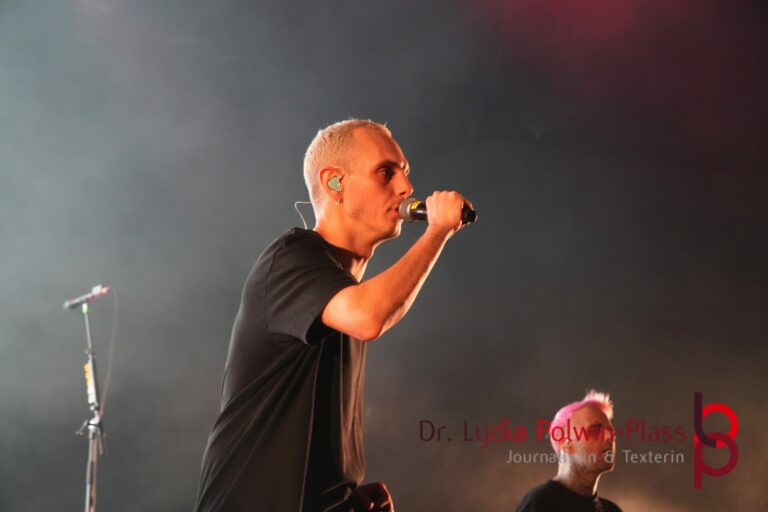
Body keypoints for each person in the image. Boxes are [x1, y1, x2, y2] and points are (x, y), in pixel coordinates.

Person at [194, 119, 473, 511]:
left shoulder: (342, 292)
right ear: (335, 183)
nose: (406, 188)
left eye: (405, 173)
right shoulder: (292, 256)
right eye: (386, 172)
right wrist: (437, 232)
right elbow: (368, 317)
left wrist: (344, 500)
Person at [515, 390, 622, 512]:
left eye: (611, 432)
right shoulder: (540, 504)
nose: (609, 437)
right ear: (564, 442)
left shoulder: (612, 510)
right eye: (595, 431)